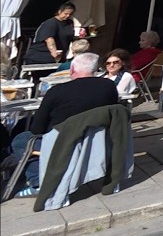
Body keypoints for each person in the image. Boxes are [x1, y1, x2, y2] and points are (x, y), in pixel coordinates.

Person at [7, 53, 118, 197]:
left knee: (20, 140)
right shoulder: (108, 86)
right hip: (96, 139)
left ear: (72, 69)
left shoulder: (56, 91)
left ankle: (38, 182)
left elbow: (37, 129)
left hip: (63, 143)